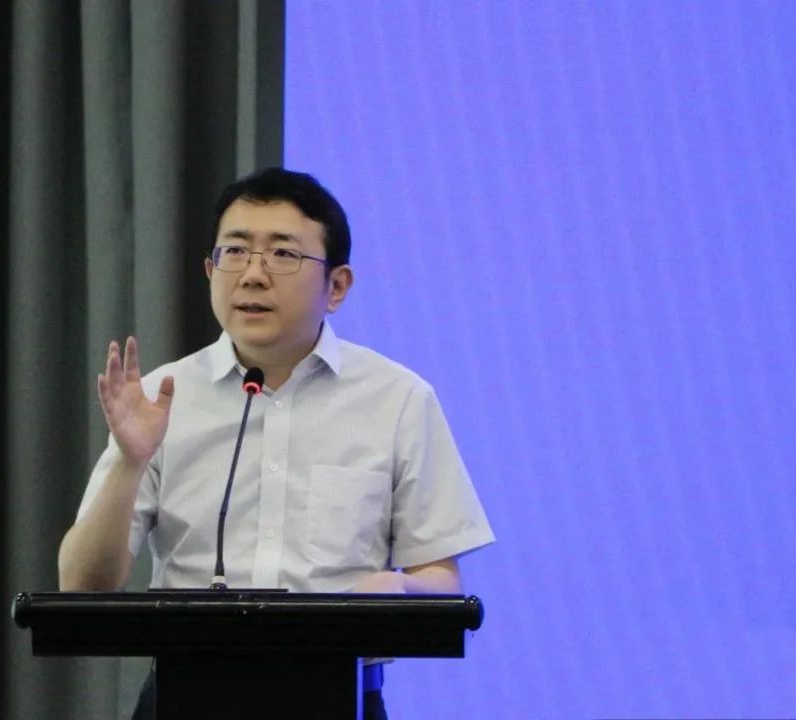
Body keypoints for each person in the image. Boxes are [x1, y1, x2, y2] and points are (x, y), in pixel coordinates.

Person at [58, 167, 495, 720]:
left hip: (340, 697)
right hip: (185, 697)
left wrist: (399, 591)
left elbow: (443, 581)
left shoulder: (398, 399)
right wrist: (130, 461)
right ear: (210, 270)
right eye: (235, 252)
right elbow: (83, 584)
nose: (253, 275)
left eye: (283, 254)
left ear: (337, 286)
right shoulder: (160, 398)